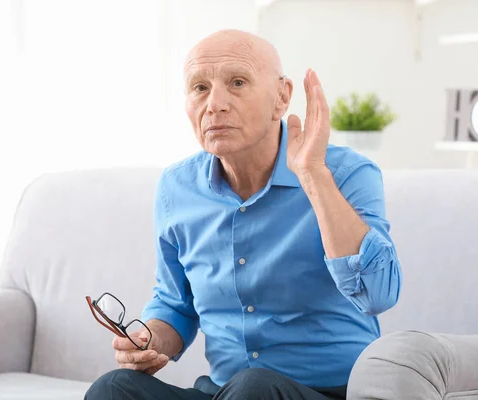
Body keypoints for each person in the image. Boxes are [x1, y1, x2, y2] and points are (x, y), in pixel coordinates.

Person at [85, 29, 402, 400]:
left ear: (281, 98)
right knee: (113, 389)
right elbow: (175, 304)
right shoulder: (176, 187)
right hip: (226, 392)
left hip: (330, 393)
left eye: (237, 82)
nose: (214, 104)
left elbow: (378, 294)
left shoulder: (347, 173)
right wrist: (150, 340)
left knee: (256, 385)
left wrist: (314, 176)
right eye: (200, 88)